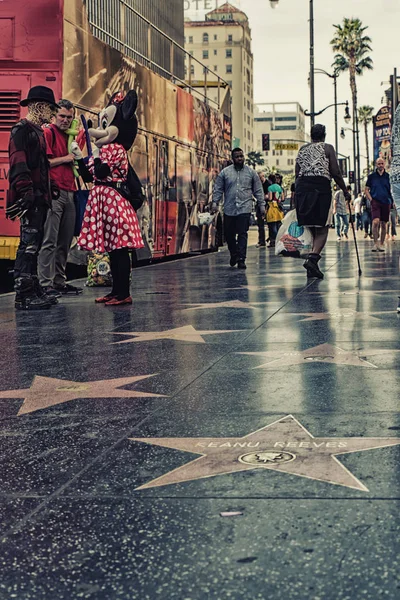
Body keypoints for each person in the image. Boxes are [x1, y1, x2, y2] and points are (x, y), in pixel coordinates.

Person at [77, 90, 144, 305]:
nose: (102, 131)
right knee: (112, 250)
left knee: (119, 249)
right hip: (102, 200)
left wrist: (95, 156)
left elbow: (103, 172)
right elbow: (89, 175)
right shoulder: (105, 149)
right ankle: (115, 291)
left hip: (114, 200)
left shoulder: (117, 150)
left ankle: (124, 293)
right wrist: (80, 159)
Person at [6, 86, 60, 310]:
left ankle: (32, 288)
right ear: (38, 107)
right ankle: (24, 294)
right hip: (32, 198)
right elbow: (18, 163)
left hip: (39, 197)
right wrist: (27, 191)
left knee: (34, 245)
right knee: (28, 246)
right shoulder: (22, 130)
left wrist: (51, 186)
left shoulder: (37, 131)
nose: (53, 114)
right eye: (50, 109)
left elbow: (41, 165)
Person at [38, 99, 86, 297]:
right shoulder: (48, 133)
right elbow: (44, 163)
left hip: (70, 191)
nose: (66, 120)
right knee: (49, 239)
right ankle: (45, 283)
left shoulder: (71, 135)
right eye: (62, 116)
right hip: (54, 191)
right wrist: (66, 159)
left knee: (65, 240)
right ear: (54, 116)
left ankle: (59, 280)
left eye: (69, 117)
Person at [295, 123, 350, 279]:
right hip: (320, 189)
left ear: (311, 135)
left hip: (303, 190)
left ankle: (312, 266)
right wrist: (344, 190)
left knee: (312, 227)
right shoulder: (327, 148)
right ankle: (312, 260)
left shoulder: (302, 150)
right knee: (323, 228)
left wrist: (296, 197)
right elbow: (335, 172)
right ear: (324, 135)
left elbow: (297, 173)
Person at [211, 147, 265, 269]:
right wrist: (215, 203)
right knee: (229, 235)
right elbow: (218, 189)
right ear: (233, 158)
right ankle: (234, 254)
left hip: (244, 208)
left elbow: (258, 190)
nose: (240, 158)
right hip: (229, 208)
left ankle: (241, 259)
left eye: (241, 156)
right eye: (237, 157)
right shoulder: (225, 173)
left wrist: (262, 205)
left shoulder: (251, 173)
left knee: (242, 234)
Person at [365, 158, 393, 252]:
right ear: (376, 165)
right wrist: (371, 199)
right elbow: (366, 190)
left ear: (384, 164)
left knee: (384, 224)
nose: (380, 165)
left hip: (386, 201)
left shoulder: (388, 176)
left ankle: (381, 244)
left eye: (382, 163)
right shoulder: (372, 177)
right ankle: (375, 243)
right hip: (375, 201)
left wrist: (392, 201)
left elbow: (392, 190)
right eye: (378, 164)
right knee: (375, 222)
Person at [266, 174, 283, 248]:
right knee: (278, 225)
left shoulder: (270, 187)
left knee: (272, 226)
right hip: (278, 208)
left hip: (272, 207)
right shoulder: (279, 187)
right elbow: (282, 198)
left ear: (270, 180)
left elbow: (270, 198)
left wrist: (266, 197)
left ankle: (276, 241)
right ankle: (279, 240)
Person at [256, 172, 270, 247]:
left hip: (268, 206)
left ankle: (271, 240)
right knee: (260, 224)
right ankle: (261, 241)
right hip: (259, 205)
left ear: (263, 176)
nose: (259, 179)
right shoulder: (257, 184)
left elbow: (269, 196)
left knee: (270, 224)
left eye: (260, 177)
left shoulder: (268, 184)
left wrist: (262, 197)